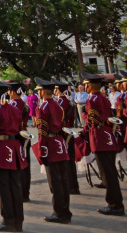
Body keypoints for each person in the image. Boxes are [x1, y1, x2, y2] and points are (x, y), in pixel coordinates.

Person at [0, 77, 26, 233]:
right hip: (14, 149)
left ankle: (8, 221)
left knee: (4, 189)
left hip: (1, 151)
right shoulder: (15, 109)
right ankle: (18, 221)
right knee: (15, 187)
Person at [30, 78, 72, 224]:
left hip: (51, 146)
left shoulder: (42, 107)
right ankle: (65, 211)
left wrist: (42, 150)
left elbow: (42, 131)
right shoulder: (58, 105)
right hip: (60, 143)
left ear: (42, 92)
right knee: (63, 181)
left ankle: (59, 213)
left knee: (55, 183)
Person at [81, 71, 124, 215]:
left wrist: (84, 116)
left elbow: (92, 119)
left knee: (107, 172)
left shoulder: (92, 99)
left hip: (99, 136)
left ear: (89, 86)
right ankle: (116, 202)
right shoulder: (103, 98)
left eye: (86, 85)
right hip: (107, 135)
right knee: (110, 171)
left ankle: (115, 204)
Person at [54, 79, 81, 194]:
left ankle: (70, 186)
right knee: (70, 160)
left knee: (66, 160)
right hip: (69, 131)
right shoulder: (68, 100)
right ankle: (74, 186)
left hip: (63, 133)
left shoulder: (60, 101)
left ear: (58, 90)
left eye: (55, 89)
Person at [6, 80, 31, 202]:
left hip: (17, 136)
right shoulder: (22, 103)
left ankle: (20, 193)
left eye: (9, 91)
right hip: (24, 134)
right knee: (25, 166)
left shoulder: (14, 104)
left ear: (12, 92)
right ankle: (25, 193)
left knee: (19, 166)